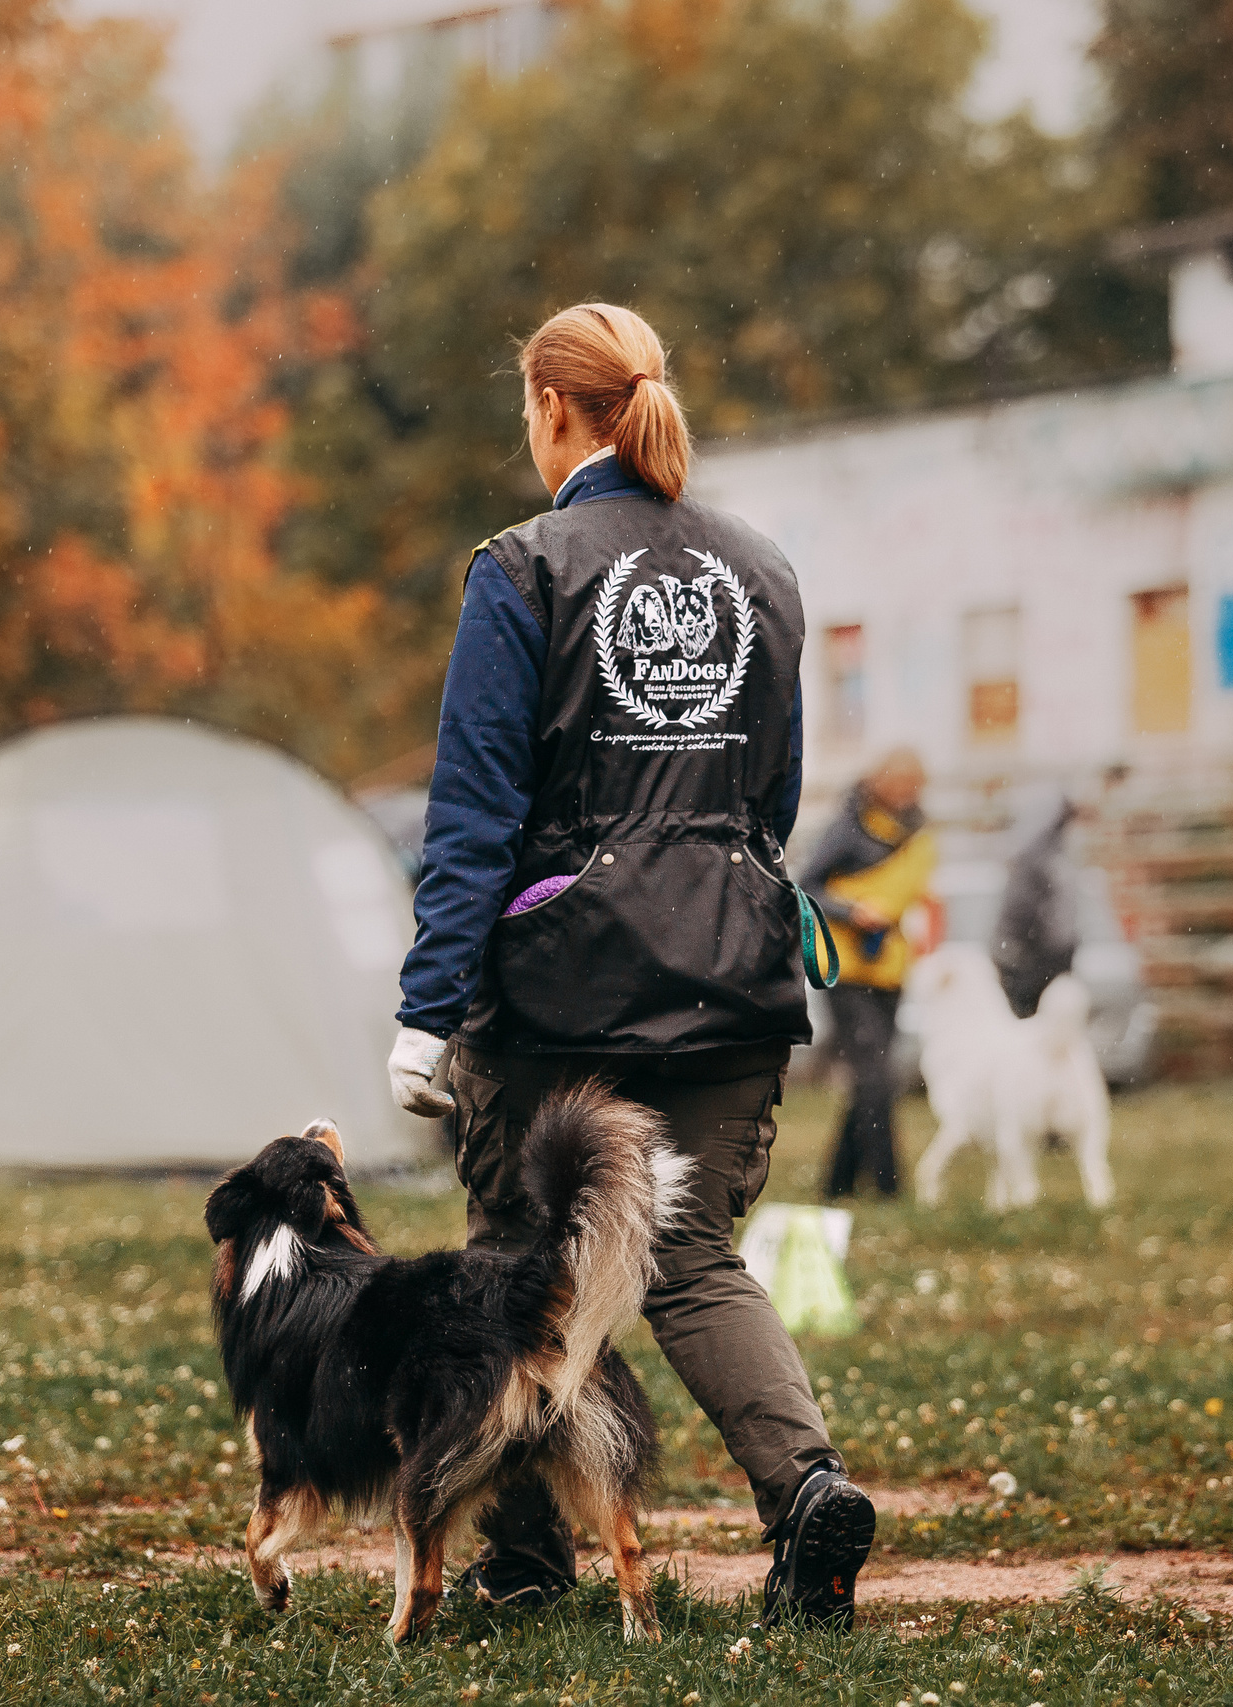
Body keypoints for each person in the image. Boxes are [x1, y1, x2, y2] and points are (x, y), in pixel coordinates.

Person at [384, 304, 874, 1627]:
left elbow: (476, 814)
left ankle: (531, 1550)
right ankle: (809, 1490)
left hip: (560, 993)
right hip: (731, 975)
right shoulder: (762, 567)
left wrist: (428, 1014)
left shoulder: (524, 569)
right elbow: (771, 793)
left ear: (553, 409)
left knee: (520, 1258)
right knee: (695, 1252)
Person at [801, 749, 937, 1199]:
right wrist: (853, 910)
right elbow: (807, 885)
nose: (904, 794)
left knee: (870, 1078)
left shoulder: (918, 831)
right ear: (877, 782)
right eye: (897, 784)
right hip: (845, 966)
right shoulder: (847, 826)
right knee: (877, 1075)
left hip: (890, 966)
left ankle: (837, 1184)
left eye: (911, 786)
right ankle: (888, 1186)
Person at [991, 784, 1081, 1016]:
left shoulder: (1039, 856)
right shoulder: (1040, 859)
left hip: (1034, 957)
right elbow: (1026, 911)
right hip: (1034, 959)